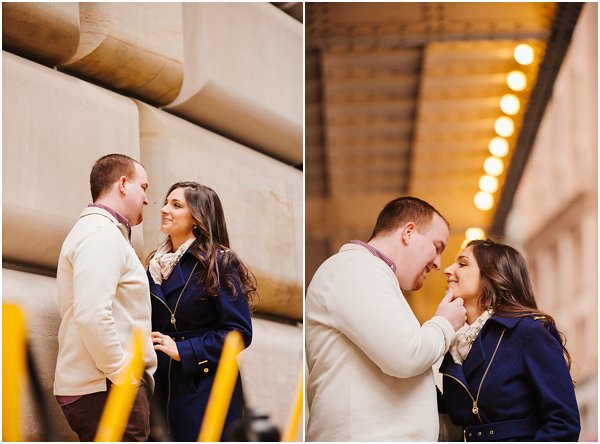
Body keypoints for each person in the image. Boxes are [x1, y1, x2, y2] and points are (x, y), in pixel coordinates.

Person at [306, 196, 467, 441]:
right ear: (409, 232)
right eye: (437, 247)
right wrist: (444, 323)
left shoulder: (371, 274)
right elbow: (406, 356)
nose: (437, 264)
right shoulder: (355, 268)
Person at [54, 153, 157, 441]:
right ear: (123, 184)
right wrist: (125, 375)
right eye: (143, 187)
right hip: (107, 387)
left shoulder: (103, 232)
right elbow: (92, 315)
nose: (147, 199)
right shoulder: (101, 234)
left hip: (107, 385)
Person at [438, 239, 580, 441]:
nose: (447, 270)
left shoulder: (529, 330)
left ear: (493, 275)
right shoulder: (454, 343)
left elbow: (563, 422)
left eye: (462, 263)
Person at [147, 181, 255, 441]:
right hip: (161, 385)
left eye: (176, 205)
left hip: (206, 388)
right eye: (165, 202)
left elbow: (239, 333)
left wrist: (184, 350)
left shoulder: (219, 261)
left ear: (196, 218)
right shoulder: (153, 264)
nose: (164, 210)